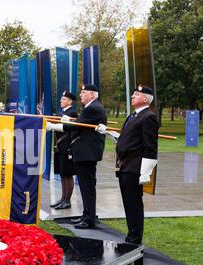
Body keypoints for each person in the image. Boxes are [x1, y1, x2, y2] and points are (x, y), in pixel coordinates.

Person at [96, 85, 159, 244]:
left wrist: (145, 172)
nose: (132, 96)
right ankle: (131, 234)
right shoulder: (133, 116)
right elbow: (126, 139)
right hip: (125, 166)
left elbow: (150, 147)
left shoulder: (148, 117)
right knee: (128, 202)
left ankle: (135, 237)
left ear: (145, 99)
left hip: (135, 167)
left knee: (134, 203)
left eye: (136, 94)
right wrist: (108, 132)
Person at [47, 84, 107, 229]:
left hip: (87, 153)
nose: (80, 95)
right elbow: (81, 124)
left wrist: (55, 126)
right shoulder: (92, 107)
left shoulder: (93, 108)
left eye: (83, 92)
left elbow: (77, 126)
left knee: (87, 187)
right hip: (85, 152)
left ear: (92, 94)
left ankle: (89, 219)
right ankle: (86, 215)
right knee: (86, 187)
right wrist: (69, 121)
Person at [50, 91, 78, 210]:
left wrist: (53, 126)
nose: (61, 101)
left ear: (70, 101)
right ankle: (63, 198)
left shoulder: (72, 113)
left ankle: (67, 200)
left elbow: (67, 128)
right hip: (60, 146)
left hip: (66, 147)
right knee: (62, 174)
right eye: (61, 99)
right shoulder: (63, 112)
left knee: (67, 174)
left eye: (64, 99)